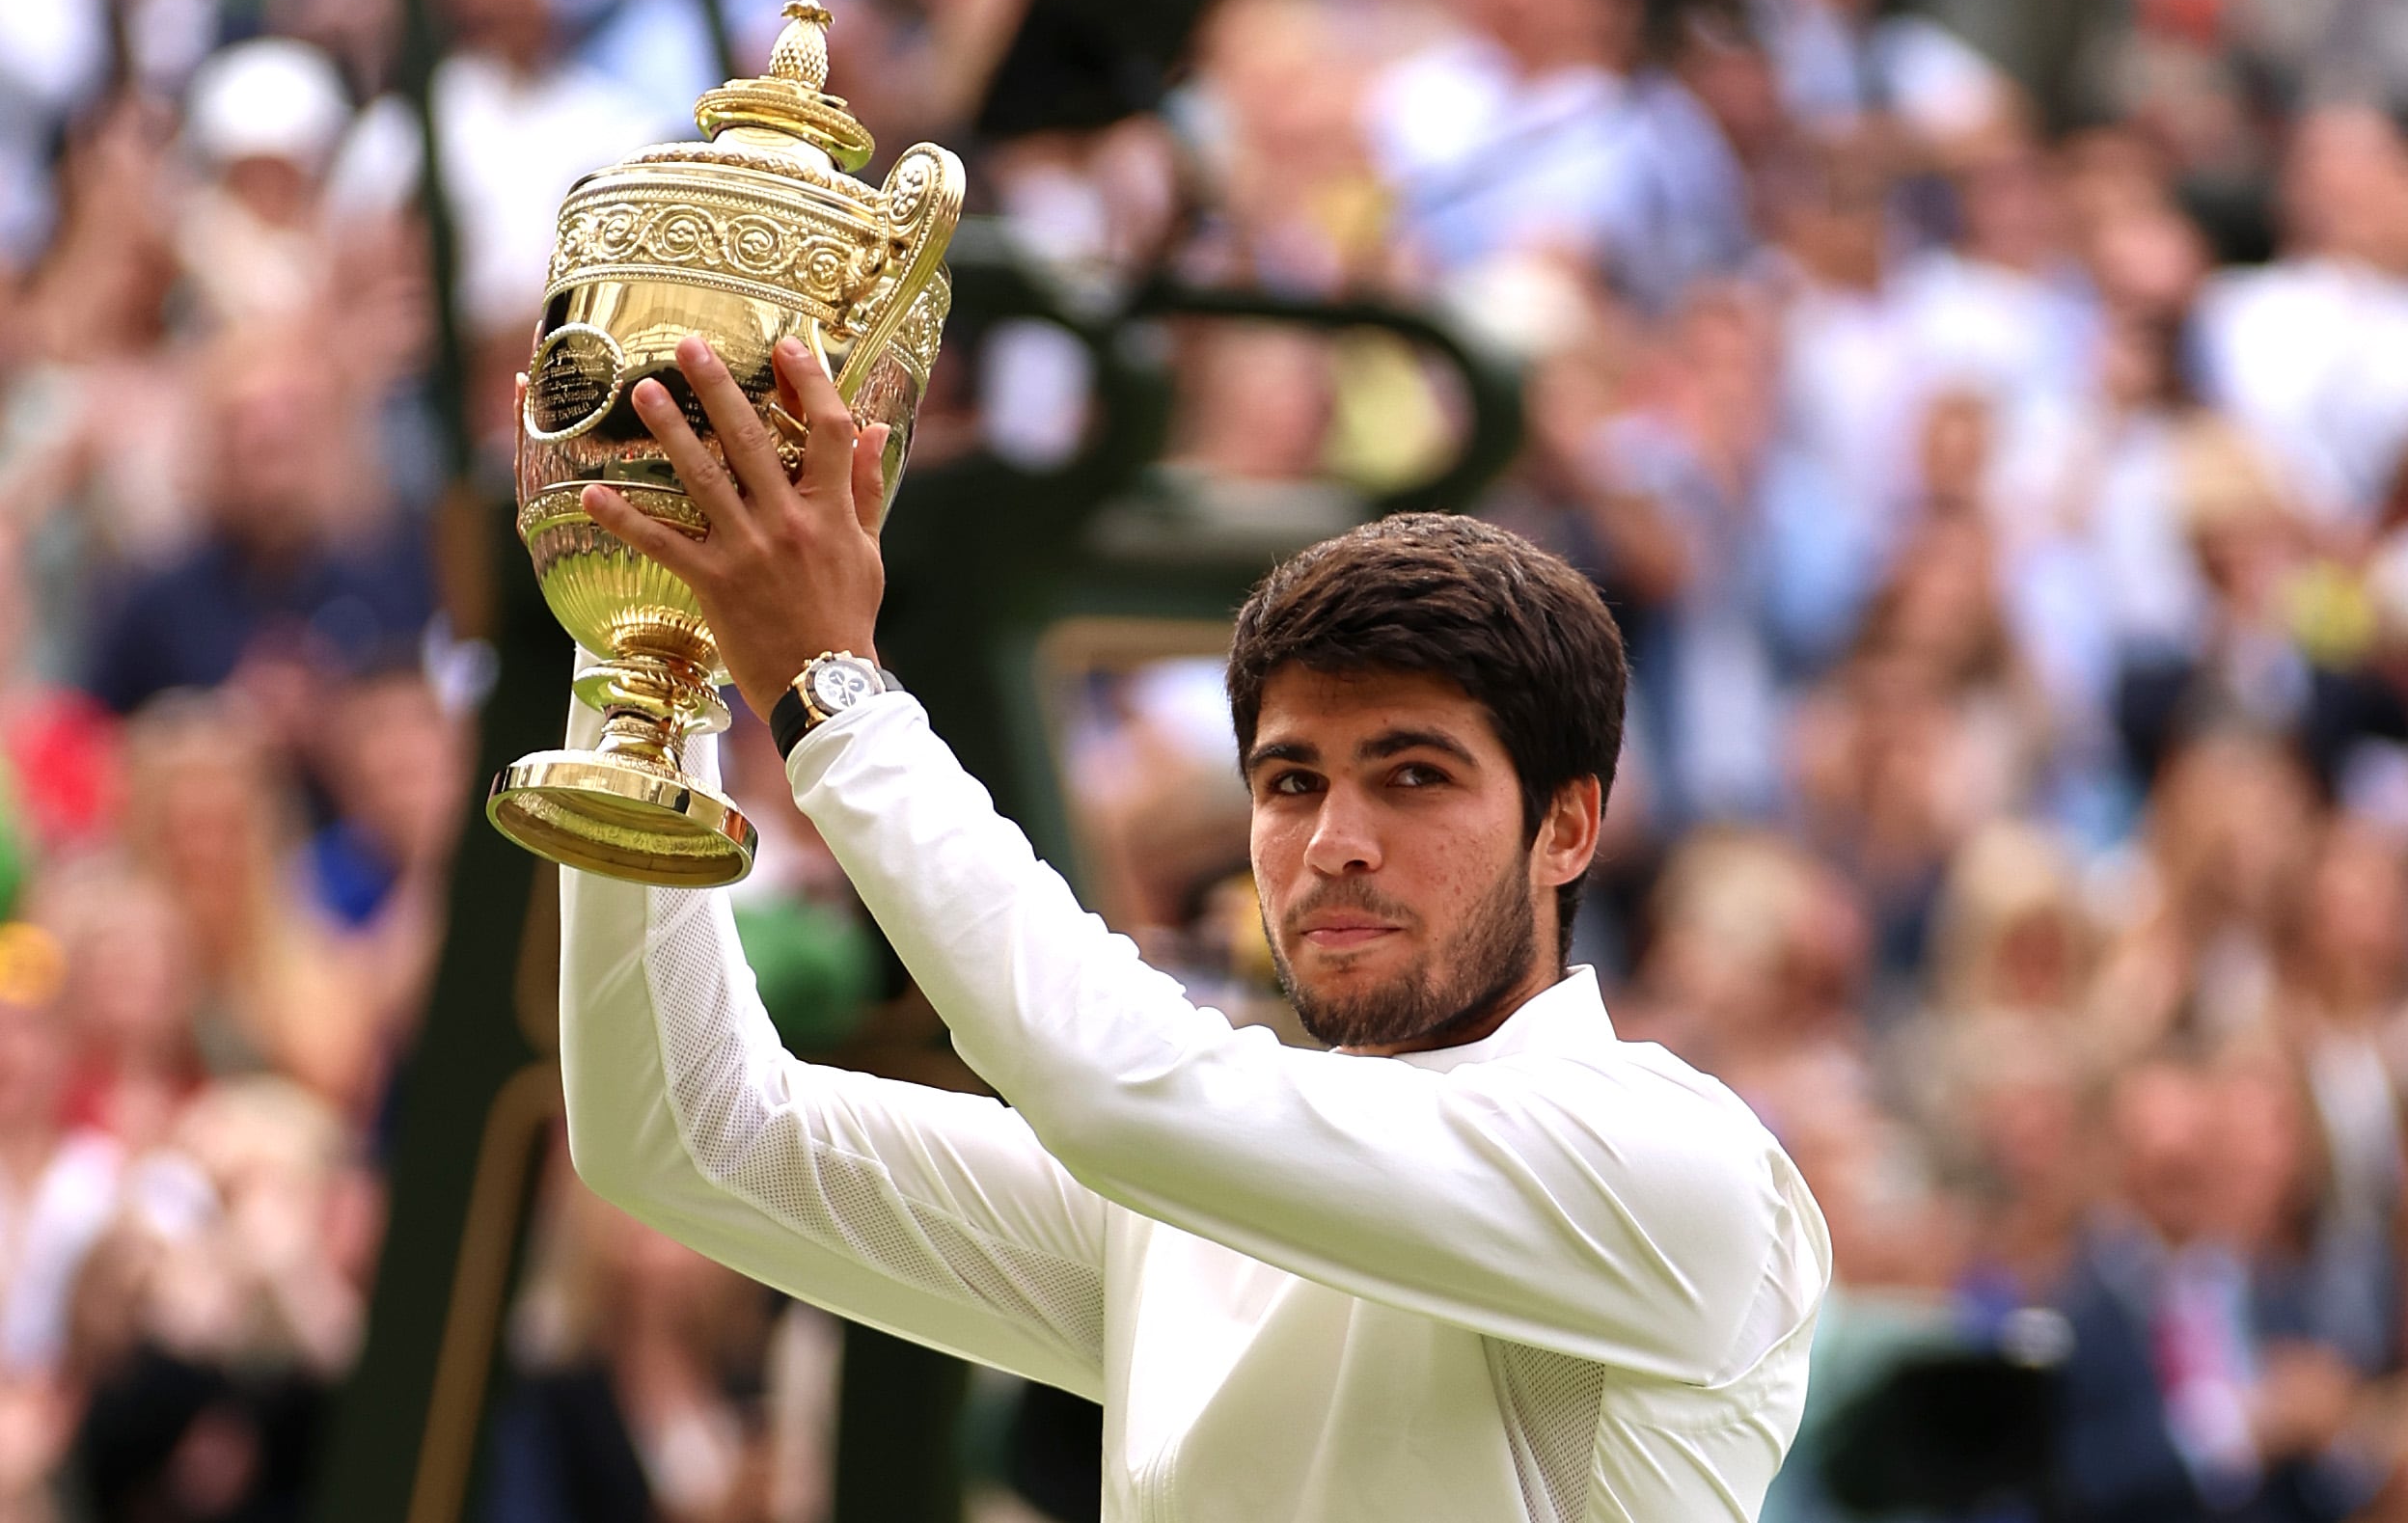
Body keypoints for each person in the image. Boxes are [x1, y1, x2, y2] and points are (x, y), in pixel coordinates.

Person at [554, 334, 1830, 1521]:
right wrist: (643, 653)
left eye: (1414, 776)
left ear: (1568, 826)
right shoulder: (1186, 1189)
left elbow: (1116, 1090)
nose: (1335, 840)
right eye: (1291, 782)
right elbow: (685, 1133)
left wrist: (831, 691)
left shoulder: (1674, 1161)